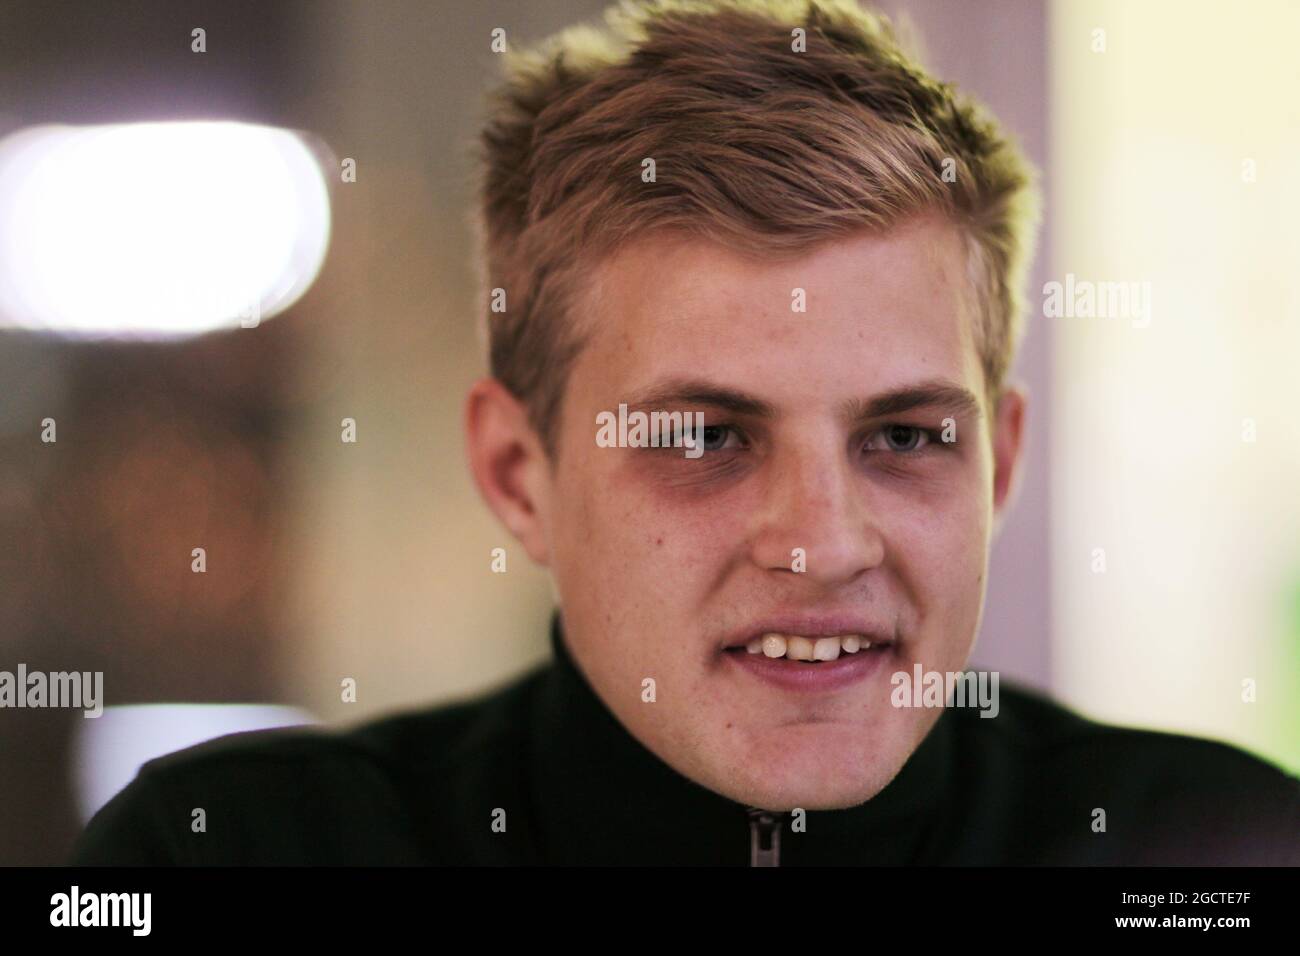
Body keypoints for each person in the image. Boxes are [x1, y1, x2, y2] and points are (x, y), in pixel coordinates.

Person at [70, 0, 1298, 866]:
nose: (822, 544)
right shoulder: (233, 857)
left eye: (907, 437)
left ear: (1002, 464)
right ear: (517, 473)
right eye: (706, 434)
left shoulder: (1218, 851)